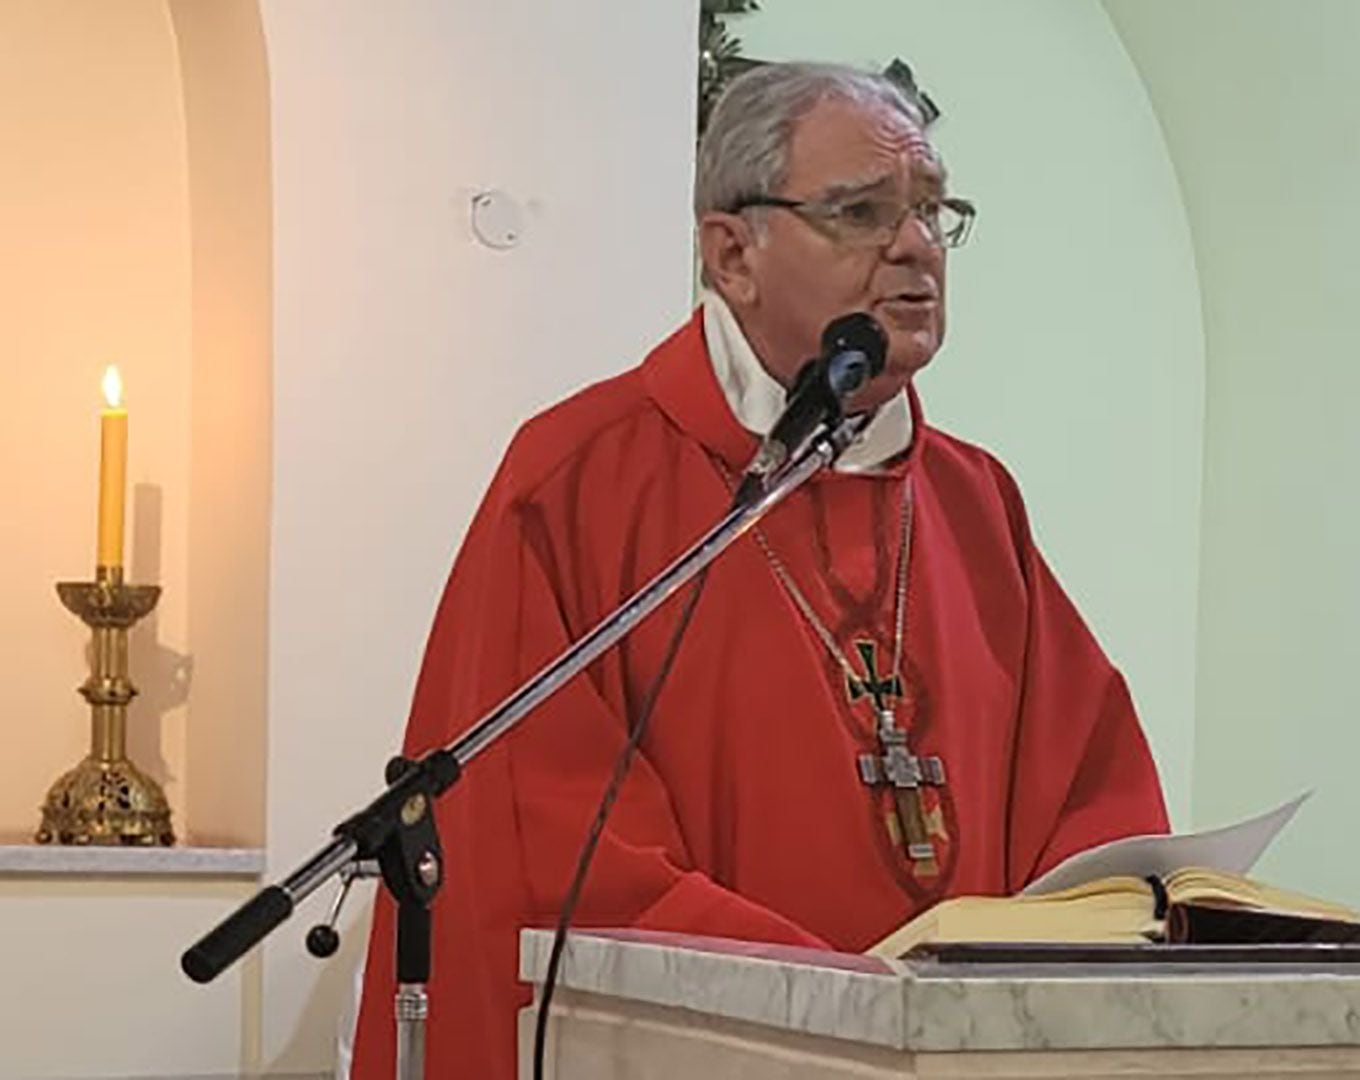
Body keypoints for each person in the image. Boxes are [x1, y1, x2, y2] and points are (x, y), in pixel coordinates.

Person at [348, 62, 1169, 1080]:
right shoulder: (576, 480)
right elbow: (558, 851)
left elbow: (1093, 795)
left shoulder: (974, 501)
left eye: (931, 209)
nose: (914, 246)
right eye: (863, 212)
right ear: (733, 253)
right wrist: (848, 1013)